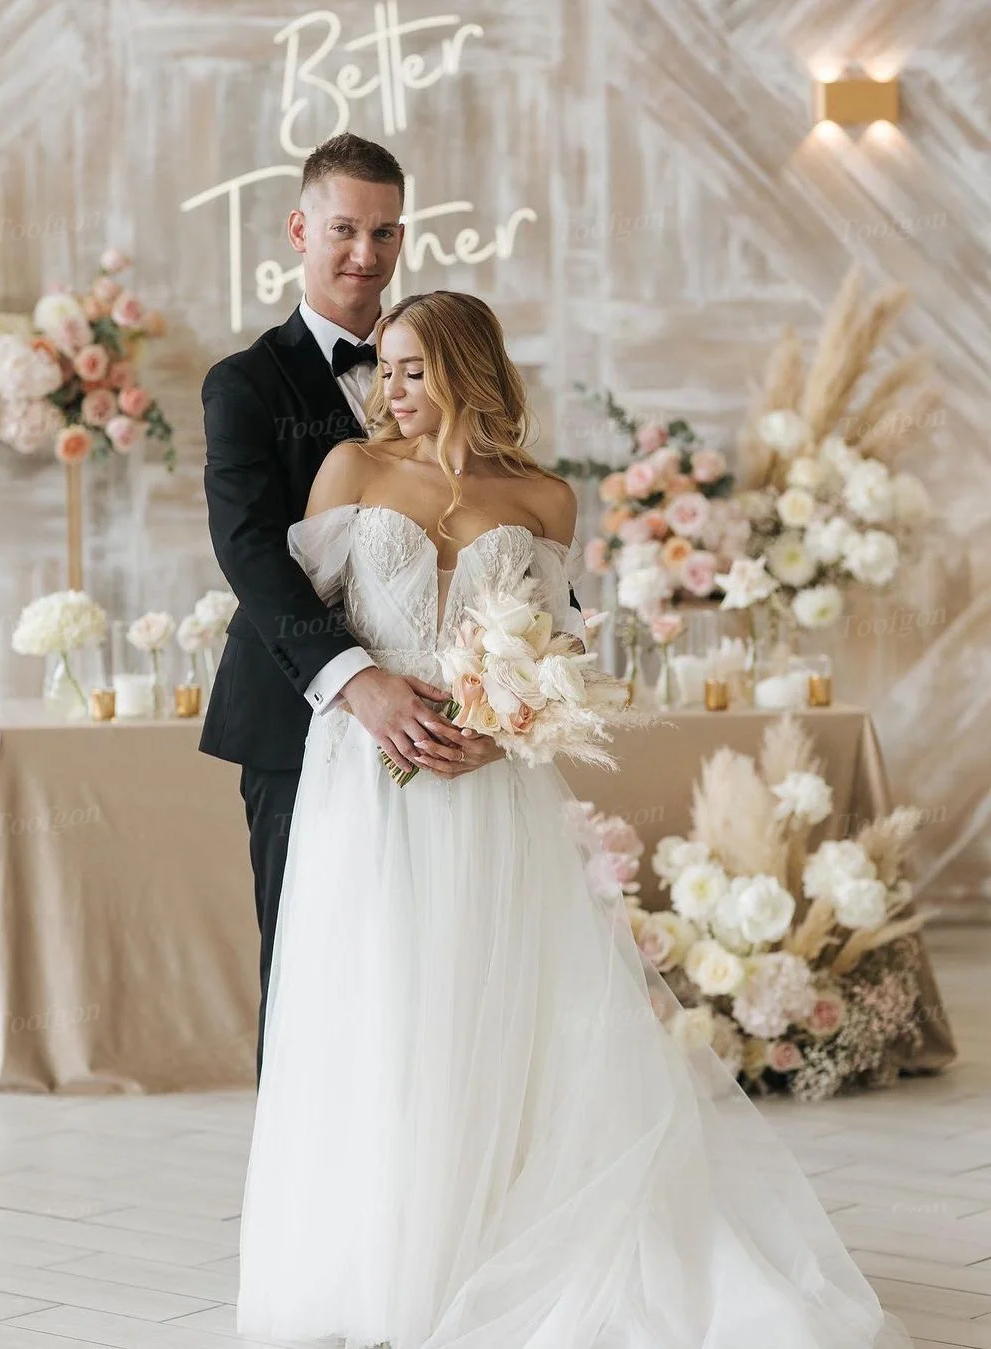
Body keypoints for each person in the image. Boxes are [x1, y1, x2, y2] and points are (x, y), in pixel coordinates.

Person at [235, 289, 913, 1349]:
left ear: (469, 371)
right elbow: (290, 619)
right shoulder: (352, 473)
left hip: (491, 787)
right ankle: (380, 1257)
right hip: (366, 777)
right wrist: (364, 693)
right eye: (387, 369)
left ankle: (497, 1236)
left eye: (416, 369)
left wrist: (504, 727)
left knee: (492, 1001)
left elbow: (556, 652)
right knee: (380, 998)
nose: (392, 389)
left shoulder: (545, 498)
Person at [201, 134, 581, 1082]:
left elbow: (545, 605)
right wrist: (356, 682)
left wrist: (513, 717)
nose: (362, 252)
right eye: (341, 229)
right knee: (316, 974)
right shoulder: (246, 383)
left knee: (460, 985)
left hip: (466, 752)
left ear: (401, 237)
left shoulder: (439, 352)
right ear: (300, 229)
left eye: (381, 232)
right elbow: (252, 553)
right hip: (307, 730)